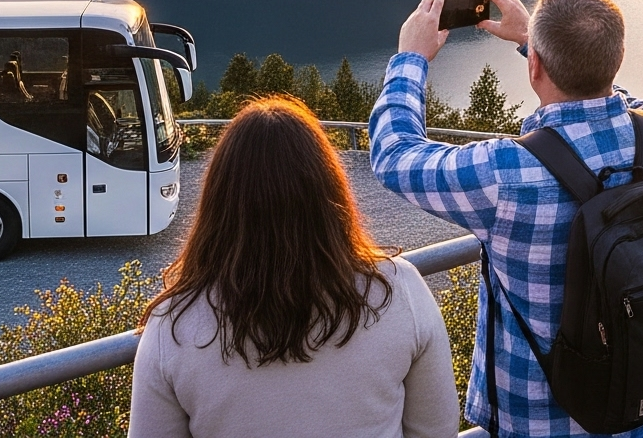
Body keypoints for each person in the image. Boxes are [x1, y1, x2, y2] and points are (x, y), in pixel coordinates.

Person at [370, 0, 643, 438]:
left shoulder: (506, 172)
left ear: (535, 67)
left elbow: (395, 155)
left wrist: (409, 60)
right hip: (642, 410)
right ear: (617, 58)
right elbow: (618, 102)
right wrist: (530, 40)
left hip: (539, 422)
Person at [130, 95, 454, 438]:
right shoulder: (399, 291)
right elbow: (436, 430)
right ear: (330, 193)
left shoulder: (173, 324)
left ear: (218, 204)